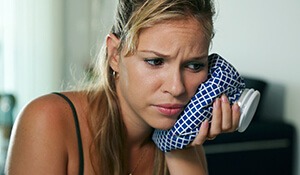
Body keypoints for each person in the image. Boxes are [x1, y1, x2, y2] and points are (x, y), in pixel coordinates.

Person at [5, 0, 241, 174]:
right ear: (115, 55)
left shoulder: (185, 141)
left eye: (193, 65)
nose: (176, 88)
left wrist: (178, 146)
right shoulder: (47, 120)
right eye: (155, 61)